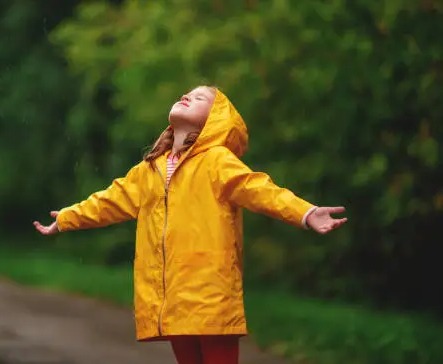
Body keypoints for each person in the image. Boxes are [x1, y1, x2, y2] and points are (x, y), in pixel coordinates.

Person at [34, 86, 347, 364]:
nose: (186, 96)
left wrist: (305, 213)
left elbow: (259, 189)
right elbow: (109, 201)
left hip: (210, 290)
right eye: (186, 94)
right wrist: (66, 219)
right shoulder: (150, 169)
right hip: (169, 294)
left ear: (214, 122)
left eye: (199, 98)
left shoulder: (216, 162)